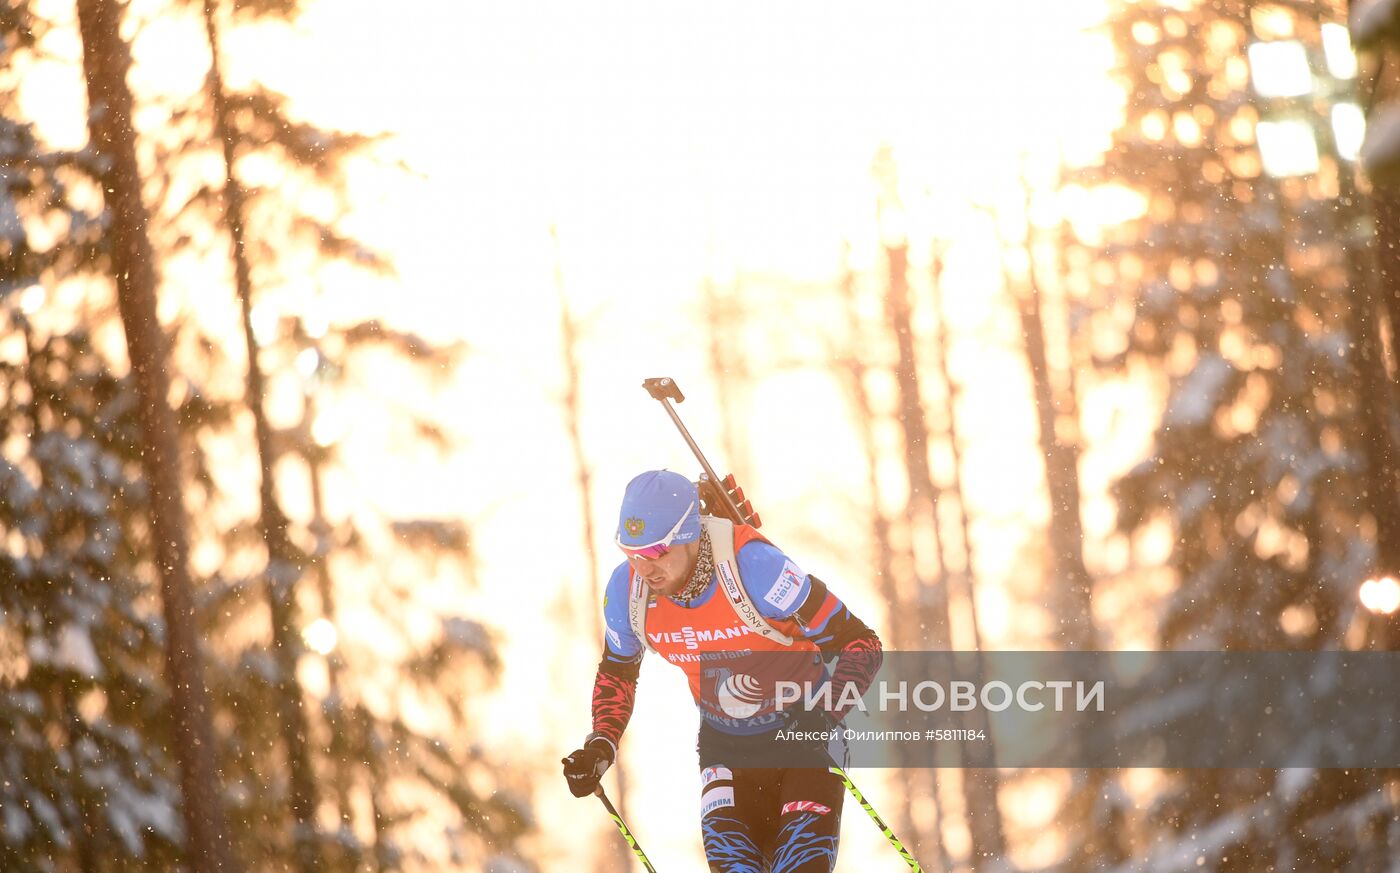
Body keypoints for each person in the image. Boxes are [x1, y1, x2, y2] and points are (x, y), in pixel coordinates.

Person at [562, 470, 883, 873]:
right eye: (631, 552)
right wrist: (601, 745)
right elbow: (617, 672)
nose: (643, 567)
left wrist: (825, 711)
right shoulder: (628, 595)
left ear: (688, 535)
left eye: (656, 551)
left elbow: (862, 644)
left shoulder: (755, 567)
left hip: (804, 737)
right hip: (725, 747)